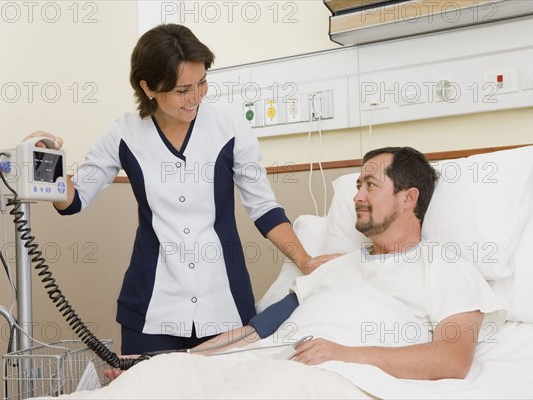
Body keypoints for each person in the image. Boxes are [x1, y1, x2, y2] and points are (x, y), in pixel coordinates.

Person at [26, 24, 333, 355]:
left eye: (202, 83)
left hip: (224, 305)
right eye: (182, 89)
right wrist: (44, 160)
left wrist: (305, 260)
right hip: (150, 309)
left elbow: (264, 209)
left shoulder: (229, 128)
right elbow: (74, 200)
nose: (195, 98)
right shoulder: (124, 134)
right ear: (148, 87)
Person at [176, 146, 505, 381]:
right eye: (358, 185)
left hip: (341, 377)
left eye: (371, 186)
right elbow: (257, 330)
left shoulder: (443, 266)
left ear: (409, 198)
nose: (358, 196)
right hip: (275, 367)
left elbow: (452, 359)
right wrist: (178, 360)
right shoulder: (337, 267)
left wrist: (346, 354)